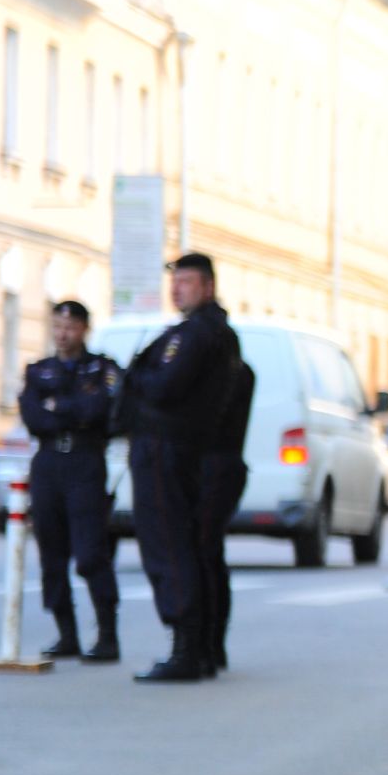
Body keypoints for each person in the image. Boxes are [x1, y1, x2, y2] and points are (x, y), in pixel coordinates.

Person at [120, 253, 242, 684]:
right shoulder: (213, 333)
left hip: (164, 448)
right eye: (175, 281)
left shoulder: (196, 334)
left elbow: (163, 387)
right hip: (180, 449)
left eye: (186, 282)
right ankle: (199, 646)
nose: (177, 289)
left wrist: (134, 381)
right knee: (184, 545)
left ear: (207, 286)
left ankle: (186, 648)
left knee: (168, 545)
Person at [18, 300, 123, 663]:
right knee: (51, 550)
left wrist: (58, 407)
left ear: (84, 329)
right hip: (48, 463)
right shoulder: (38, 371)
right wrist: (72, 409)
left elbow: (99, 411)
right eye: (57, 327)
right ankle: (67, 635)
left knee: (91, 551)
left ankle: (108, 636)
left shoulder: (101, 369)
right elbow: (34, 417)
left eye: (71, 327)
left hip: (85, 461)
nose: (63, 335)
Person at [197, 355, 254, 671]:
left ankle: (210, 644)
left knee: (206, 551)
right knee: (207, 552)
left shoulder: (235, 371)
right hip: (206, 467)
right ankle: (207, 644)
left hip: (219, 467)